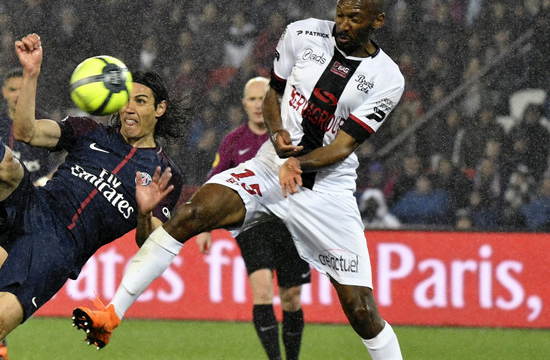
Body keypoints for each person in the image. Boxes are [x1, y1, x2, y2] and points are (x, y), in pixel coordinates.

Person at [73, 1, 405, 359]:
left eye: (354, 18)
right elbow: (273, 93)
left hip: (326, 188)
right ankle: (111, 314)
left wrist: (297, 164)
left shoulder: (388, 78)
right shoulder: (302, 33)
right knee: (191, 214)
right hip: (269, 167)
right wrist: (277, 133)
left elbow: (343, 146)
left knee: (360, 310)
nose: (342, 24)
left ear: (378, 21)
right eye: (340, 13)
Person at [0, 33, 188, 360]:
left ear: (160, 109)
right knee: (8, 165)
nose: (130, 108)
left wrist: (144, 212)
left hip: (57, 246)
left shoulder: (165, 174)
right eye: (126, 99)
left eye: (141, 101)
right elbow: (27, 132)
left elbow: (147, 244)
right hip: (35, 206)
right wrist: (31, 73)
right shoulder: (88, 131)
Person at [195, 77, 309, 360]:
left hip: (291, 224)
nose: (259, 105)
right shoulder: (233, 141)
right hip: (253, 224)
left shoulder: (290, 137)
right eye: (253, 99)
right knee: (262, 290)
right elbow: (214, 184)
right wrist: (204, 227)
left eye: (264, 99)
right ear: (244, 104)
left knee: (291, 298)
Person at [0, 67, 59, 359]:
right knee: (2, 271)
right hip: (7, 204)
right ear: (4, 92)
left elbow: (65, 157)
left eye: (22, 89)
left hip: (39, 204)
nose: (17, 95)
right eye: (12, 89)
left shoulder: (41, 122)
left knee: (27, 277)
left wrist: (49, 179)